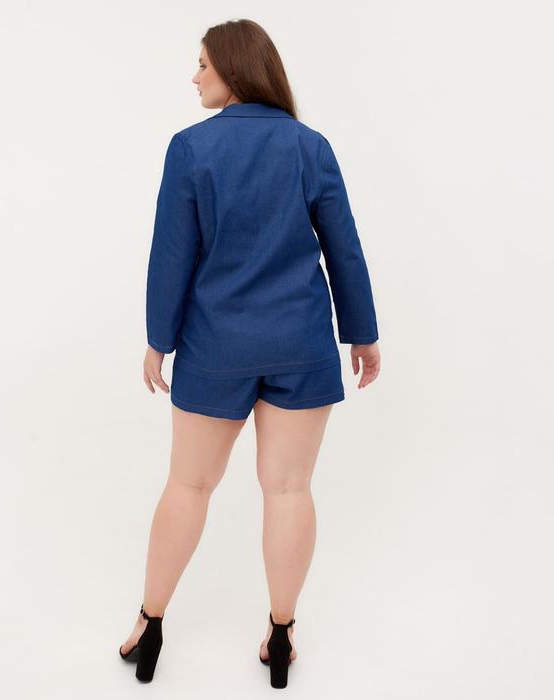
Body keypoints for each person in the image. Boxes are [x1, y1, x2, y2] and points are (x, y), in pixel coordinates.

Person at [119, 18, 381, 688]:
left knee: (188, 484)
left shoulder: (191, 148)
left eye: (203, 65)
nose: (194, 77)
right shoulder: (310, 146)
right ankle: (283, 632)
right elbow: (344, 249)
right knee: (289, 488)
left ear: (234, 70)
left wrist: (158, 340)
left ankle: (150, 623)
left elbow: (171, 255)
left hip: (216, 345)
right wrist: (362, 333)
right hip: (301, 343)